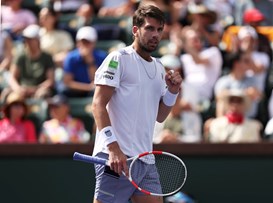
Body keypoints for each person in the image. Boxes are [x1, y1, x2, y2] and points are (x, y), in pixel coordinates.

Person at [91, 5, 182, 203]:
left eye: (159, 30)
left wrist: (173, 92)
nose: (155, 35)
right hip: (117, 156)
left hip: (145, 160)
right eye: (149, 28)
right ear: (135, 30)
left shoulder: (159, 67)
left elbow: (160, 115)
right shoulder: (118, 59)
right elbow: (98, 105)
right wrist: (113, 148)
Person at [5, 24, 55, 100]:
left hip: (38, 89)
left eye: (31, 39)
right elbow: (12, 77)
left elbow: (50, 80)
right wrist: (18, 89)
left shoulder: (47, 57)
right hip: (22, 89)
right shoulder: (20, 56)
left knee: (43, 95)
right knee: (7, 94)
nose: (27, 42)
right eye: (26, 39)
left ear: (38, 40)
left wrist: (36, 89)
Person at [61, 26, 107, 97]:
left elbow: (95, 81)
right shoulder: (70, 58)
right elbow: (67, 82)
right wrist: (88, 87)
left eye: (87, 42)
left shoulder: (102, 57)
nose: (83, 45)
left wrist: (90, 61)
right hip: (76, 91)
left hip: (92, 91)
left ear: (93, 43)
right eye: (81, 42)